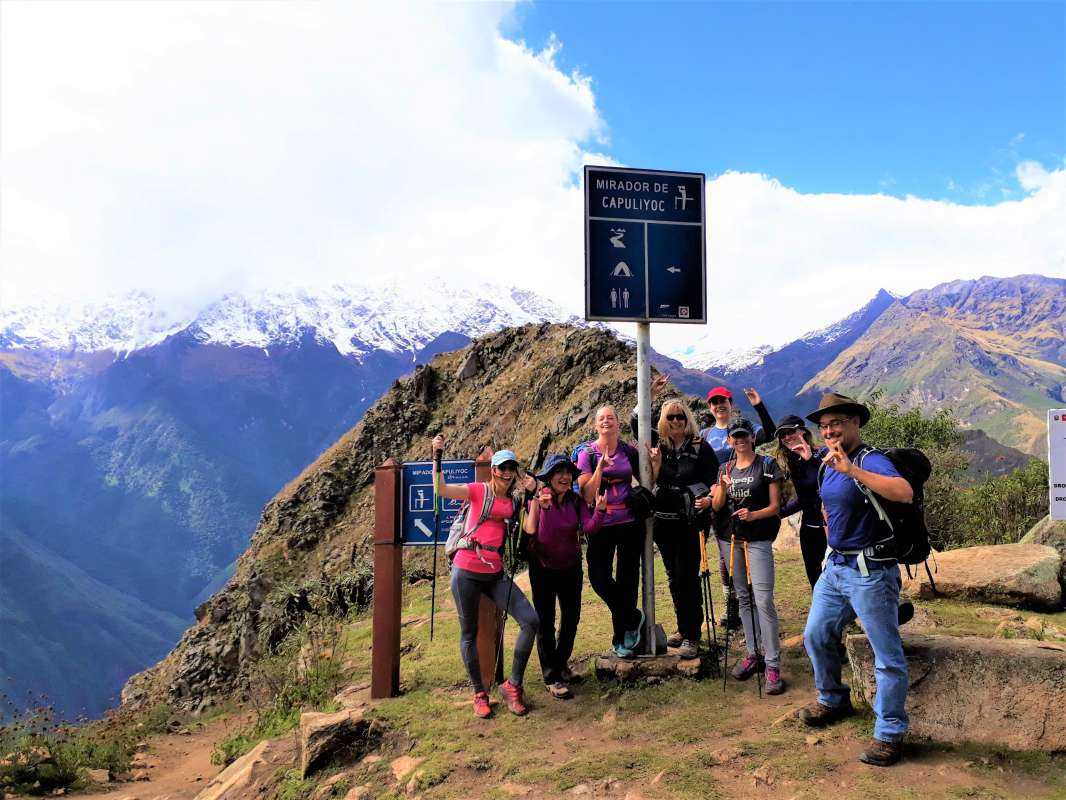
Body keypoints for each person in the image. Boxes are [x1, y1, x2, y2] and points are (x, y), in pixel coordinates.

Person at [797, 393, 913, 767]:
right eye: (824, 426)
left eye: (836, 423)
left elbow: (904, 492)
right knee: (816, 635)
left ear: (855, 423)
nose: (829, 430)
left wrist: (852, 471)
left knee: (887, 656)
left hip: (871, 572)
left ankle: (889, 734)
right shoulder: (827, 462)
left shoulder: (868, 459)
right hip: (835, 567)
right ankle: (832, 698)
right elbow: (829, 506)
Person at [432, 434, 539, 718]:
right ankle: (479, 693)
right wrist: (437, 456)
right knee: (469, 633)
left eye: (511, 468)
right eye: (502, 467)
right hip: (466, 570)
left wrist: (533, 494)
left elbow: (529, 529)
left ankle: (512, 685)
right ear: (493, 470)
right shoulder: (478, 491)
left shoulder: (514, 503)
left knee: (530, 621)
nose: (507, 473)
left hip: (494, 573)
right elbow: (441, 489)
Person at [711, 418, 786, 695]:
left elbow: (775, 507)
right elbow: (717, 506)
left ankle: (772, 663)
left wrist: (753, 515)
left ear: (752, 438)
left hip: (758, 539)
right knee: (743, 596)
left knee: (763, 599)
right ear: (729, 440)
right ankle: (754, 652)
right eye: (735, 436)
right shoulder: (724, 468)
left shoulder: (767, 465)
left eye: (744, 435)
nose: (740, 440)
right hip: (731, 538)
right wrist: (722, 487)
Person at [523, 454, 605, 699]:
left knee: (571, 618)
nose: (565, 476)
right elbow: (542, 534)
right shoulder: (539, 499)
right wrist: (543, 507)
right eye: (559, 472)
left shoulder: (575, 501)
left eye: (568, 472)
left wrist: (600, 511)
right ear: (549, 477)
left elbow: (588, 527)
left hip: (570, 567)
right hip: (543, 568)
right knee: (545, 622)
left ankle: (560, 664)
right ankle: (552, 676)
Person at [645, 399, 719, 658]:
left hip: (691, 522)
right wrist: (651, 395)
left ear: (688, 419)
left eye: (680, 417)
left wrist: (709, 499)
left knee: (688, 576)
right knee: (673, 577)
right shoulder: (660, 447)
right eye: (671, 417)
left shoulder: (700, 447)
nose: (676, 421)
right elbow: (636, 424)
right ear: (663, 421)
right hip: (664, 522)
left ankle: (692, 635)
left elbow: (714, 479)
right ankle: (683, 627)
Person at [700, 386, 777, 631]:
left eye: (723, 401)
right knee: (726, 556)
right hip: (720, 497)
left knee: (750, 551)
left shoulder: (744, 427)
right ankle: (731, 604)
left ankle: (753, 603)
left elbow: (770, 433)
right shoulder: (705, 434)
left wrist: (759, 405)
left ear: (730, 403)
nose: (719, 405)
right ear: (709, 407)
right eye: (714, 402)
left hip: (746, 496)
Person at [576, 405, 645, 658]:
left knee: (628, 579)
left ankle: (622, 638)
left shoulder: (629, 451)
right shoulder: (587, 454)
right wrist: (600, 468)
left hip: (629, 522)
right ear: (596, 425)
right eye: (601, 419)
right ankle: (633, 617)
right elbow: (586, 494)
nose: (606, 422)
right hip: (600, 524)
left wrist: (656, 463)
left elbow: (645, 480)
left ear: (618, 423)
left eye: (611, 418)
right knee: (599, 578)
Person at [773, 415, 828, 589]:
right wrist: (775, 513)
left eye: (790, 432)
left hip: (831, 528)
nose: (786, 437)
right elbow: (804, 499)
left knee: (837, 577)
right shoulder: (791, 462)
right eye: (782, 435)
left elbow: (830, 486)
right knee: (815, 581)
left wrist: (811, 460)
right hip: (809, 529)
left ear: (802, 431)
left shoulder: (823, 454)